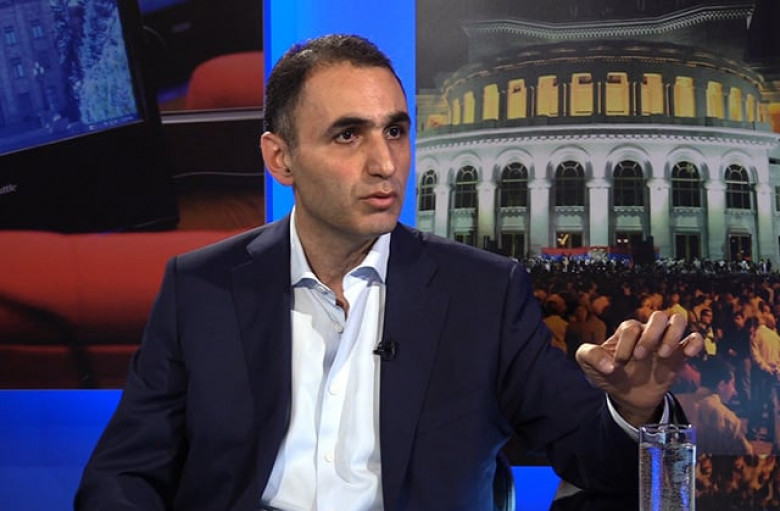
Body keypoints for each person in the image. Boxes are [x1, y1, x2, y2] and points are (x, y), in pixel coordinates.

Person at [74, 34, 702, 510]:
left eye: (395, 131)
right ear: (280, 158)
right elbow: (122, 475)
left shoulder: (482, 292)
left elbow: (596, 461)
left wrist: (635, 410)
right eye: (348, 136)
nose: (385, 163)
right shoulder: (201, 286)